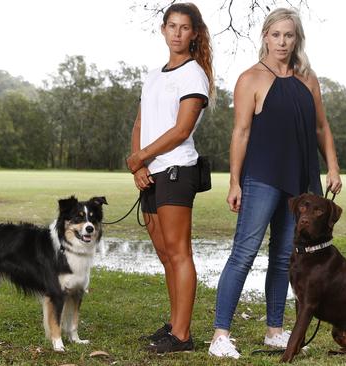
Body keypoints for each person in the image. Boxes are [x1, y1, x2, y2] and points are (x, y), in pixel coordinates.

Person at [208, 8, 342, 359]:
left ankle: (275, 330)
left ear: (297, 39)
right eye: (276, 35)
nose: (282, 42)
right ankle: (220, 334)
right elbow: (240, 132)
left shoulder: (307, 78)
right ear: (265, 36)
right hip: (262, 177)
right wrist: (234, 181)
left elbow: (320, 128)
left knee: (285, 257)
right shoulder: (250, 78)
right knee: (244, 253)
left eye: (289, 35)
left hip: (301, 182)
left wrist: (333, 167)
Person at [125, 2, 214, 354]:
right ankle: (175, 324)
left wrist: (142, 157)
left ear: (193, 33)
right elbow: (139, 124)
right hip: (151, 173)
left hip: (177, 170)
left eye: (184, 28)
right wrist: (139, 166)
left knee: (179, 253)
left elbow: (181, 130)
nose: (177, 33)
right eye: (171, 26)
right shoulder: (153, 74)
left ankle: (182, 335)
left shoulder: (194, 74)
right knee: (164, 253)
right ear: (163, 29)